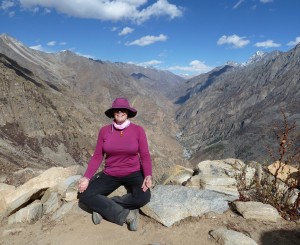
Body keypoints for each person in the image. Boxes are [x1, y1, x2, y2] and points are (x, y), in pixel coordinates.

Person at [78, 97, 152, 231]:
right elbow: (97, 156)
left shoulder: (138, 130)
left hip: (134, 172)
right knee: (84, 195)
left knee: (144, 197)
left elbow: (145, 155)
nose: (119, 112)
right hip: (110, 173)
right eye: (116, 110)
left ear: (128, 112)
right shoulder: (104, 131)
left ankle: (102, 208)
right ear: (112, 113)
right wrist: (86, 177)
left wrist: (148, 175)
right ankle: (128, 215)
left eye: (123, 110)